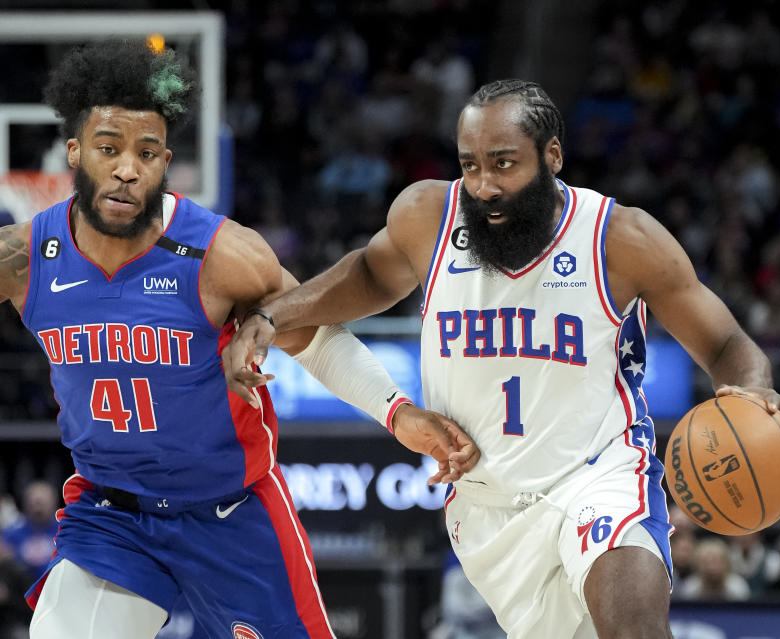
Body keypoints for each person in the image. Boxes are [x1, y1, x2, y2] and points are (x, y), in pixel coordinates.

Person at [225, 79, 780, 639]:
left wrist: (753, 390)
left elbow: (726, 345)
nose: (484, 185)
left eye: (504, 163)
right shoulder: (430, 216)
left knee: (634, 623)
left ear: (551, 155)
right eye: (471, 164)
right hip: (485, 505)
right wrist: (276, 313)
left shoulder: (619, 238)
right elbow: (368, 275)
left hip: (597, 473)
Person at [0, 40, 478, 639]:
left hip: (230, 511)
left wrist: (397, 412)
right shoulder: (24, 258)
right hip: (111, 514)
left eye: (146, 153)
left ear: (165, 161)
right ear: (72, 154)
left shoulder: (221, 254)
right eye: (108, 148)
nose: (127, 167)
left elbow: (318, 338)